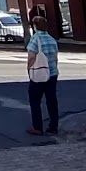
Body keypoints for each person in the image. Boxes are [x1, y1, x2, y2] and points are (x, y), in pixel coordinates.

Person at [25, 8, 60, 136]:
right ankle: (53, 126)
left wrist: (29, 69)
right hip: (52, 73)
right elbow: (55, 57)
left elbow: (31, 57)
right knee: (52, 100)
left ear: (35, 26)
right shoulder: (52, 40)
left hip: (39, 74)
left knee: (35, 100)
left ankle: (37, 127)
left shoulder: (35, 39)